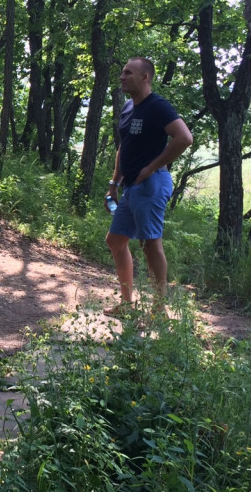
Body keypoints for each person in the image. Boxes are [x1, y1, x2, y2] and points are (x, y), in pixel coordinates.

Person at [104, 57, 193, 319]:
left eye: (128, 73)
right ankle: (126, 305)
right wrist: (114, 183)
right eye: (122, 72)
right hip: (131, 185)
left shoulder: (157, 106)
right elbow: (124, 147)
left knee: (150, 244)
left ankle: (159, 311)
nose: (122, 77)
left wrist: (151, 168)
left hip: (151, 183)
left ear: (145, 77)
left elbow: (184, 138)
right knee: (115, 241)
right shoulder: (128, 107)